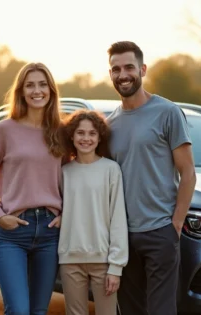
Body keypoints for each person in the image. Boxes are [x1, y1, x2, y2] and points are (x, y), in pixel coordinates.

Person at [106, 41, 197, 315]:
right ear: (110, 74)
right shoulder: (108, 125)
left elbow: (188, 172)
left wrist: (176, 224)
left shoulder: (167, 112)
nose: (123, 74)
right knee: (131, 310)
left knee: (161, 310)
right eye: (116, 69)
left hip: (160, 231)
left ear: (142, 69)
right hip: (122, 235)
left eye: (129, 67)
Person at [0, 62, 65, 315]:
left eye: (42, 84)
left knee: (38, 311)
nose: (37, 90)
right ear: (22, 92)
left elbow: (73, 179)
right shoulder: (4, 130)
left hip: (50, 233)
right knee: (18, 311)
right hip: (12, 234)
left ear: (51, 90)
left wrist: (65, 214)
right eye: (30, 85)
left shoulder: (60, 132)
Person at [58, 110, 128, 315]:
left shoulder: (111, 170)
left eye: (92, 133)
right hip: (70, 260)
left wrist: (116, 267)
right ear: (72, 136)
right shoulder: (64, 172)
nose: (86, 138)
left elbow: (118, 219)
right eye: (80, 133)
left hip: (104, 261)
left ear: (100, 137)